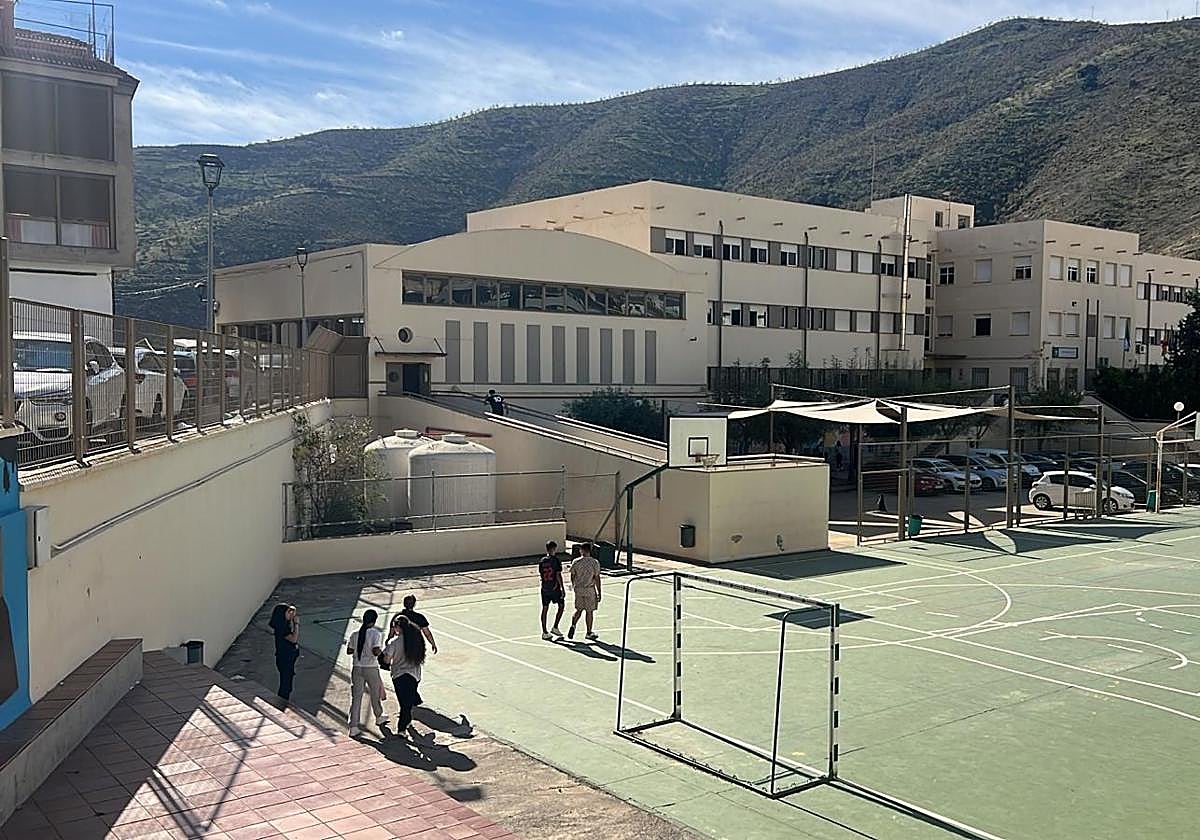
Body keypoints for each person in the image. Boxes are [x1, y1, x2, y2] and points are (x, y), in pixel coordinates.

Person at [345, 609, 387, 737]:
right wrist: (383, 655)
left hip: (357, 667)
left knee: (356, 697)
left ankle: (353, 726)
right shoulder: (375, 633)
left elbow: (349, 651)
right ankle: (379, 716)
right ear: (374, 621)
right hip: (370, 667)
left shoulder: (354, 634)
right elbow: (375, 650)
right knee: (375, 693)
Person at [384, 614, 427, 736]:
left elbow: (386, 660)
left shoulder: (394, 642)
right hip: (414, 674)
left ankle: (402, 728)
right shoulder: (416, 639)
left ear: (398, 627)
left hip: (399, 675)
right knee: (407, 703)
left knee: (404, 703)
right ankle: (406, 721)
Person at [567, 542, 601, 641]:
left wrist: (574, 585)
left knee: (578, 610)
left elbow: (572, 575)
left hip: (579, 589)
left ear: (581, 550)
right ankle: (589, 632)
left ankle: (573, 625)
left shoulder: (576, 561)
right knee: (589, 611)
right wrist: (599, 591)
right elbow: (597, 577)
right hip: (589, 589)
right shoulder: (594, 562)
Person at [268, 603, 299, 703]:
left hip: (286, 658)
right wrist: (296, 624)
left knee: (287, 683)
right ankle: (281, 702)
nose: (290, 614)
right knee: (285, 684)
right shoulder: (282, 628)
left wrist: (292, 612)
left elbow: (292, 611)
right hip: (285, 659)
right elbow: (293, 639)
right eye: (288, 612)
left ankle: (283, 701)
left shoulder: (284, 624)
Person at [538, 540, 565, 641]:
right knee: (561, 606)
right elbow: (558, 574)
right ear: (553, 549)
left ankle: (544, 631)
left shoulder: (542, 561)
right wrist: (562, 587)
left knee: (545, 608)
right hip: (554, 587)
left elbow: (541, 574)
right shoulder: (556, 560)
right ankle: (555, 626)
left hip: (545, 587)